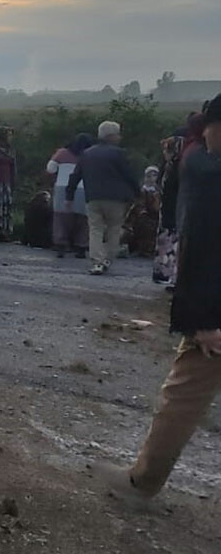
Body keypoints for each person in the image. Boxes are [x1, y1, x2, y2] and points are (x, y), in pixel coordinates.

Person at [98, 94, 221, 501]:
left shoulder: (207, 169)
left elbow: (201, 246)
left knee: (183, 397)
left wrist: (199, 318)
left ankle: (142, 481)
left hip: (214, 317)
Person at [67, 121, 141, 276]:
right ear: (111, 136)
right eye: (118, 134)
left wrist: (69, 196)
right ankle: (108, 258)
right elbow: (129, 175)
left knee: (95, 229)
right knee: (114, 229)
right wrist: (137, 193)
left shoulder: (86, 154)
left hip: (93, 197)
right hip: (116, 199)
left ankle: (96, 262)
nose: (120, 137)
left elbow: (75, 176)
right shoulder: (119, 153)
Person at [46, 134, 92, 258]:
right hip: (84, 188)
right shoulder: (90, 155)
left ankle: (61, 245)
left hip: (62, 187)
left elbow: (50, 168)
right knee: (83, 220)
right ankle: (81, 247)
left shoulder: (62, 153)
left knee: (61, 218)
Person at [154, 134, 185, 284]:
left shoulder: (173, 168)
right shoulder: (171, 167)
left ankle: (168, 274)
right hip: (168, 210)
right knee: (167, 244)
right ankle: (164, 273)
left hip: (171, 210)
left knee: (170, 244)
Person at [124, 166, 161, 258]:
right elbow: (136, 205)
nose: (151, 178)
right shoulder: (141, 191)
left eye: (154, 175)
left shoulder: (160, 191)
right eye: (148, 176)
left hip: (157, 217)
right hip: (140, 217)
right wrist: (142, 211)